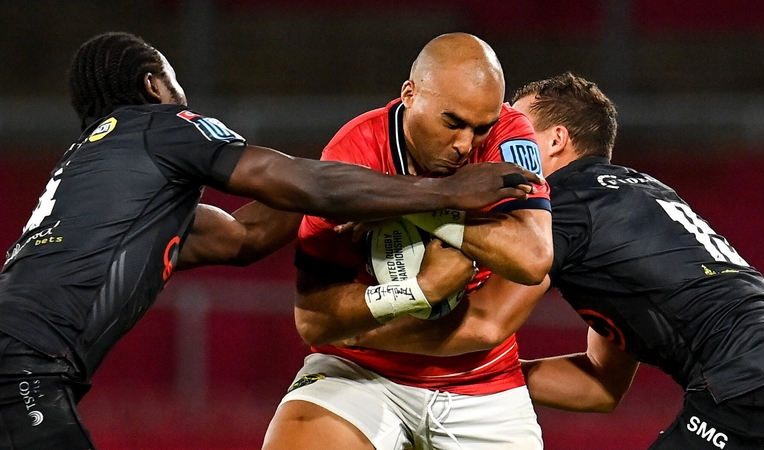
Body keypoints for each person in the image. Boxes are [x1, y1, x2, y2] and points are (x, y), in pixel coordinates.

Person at [0, 31, 538, 450]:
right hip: (24, 372)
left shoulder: (99, 175)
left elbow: (244, 237)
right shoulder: (159, 125)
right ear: (153, 86)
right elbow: (300, 182)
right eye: (174, 82)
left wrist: (365, 199)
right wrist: (443, 195)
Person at [345, 72, 764, 449]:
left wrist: (359, 337)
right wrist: (493, 381)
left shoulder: (565, 204)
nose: (497, 143)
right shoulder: (636, 196)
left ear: (556, 139)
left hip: (751, 382)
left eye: (516, 129)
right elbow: (599, 384)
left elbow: (484, 322)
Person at [261, 32, 553, 450]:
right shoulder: (354, 154)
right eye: (452, 122)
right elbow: (314, 321)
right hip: (360, 373)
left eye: (480, 128)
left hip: (481, 379)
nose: (464, 145)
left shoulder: (509, 133)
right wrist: (419, 290)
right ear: (410, 94)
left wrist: (410, 206)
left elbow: (533, 257)